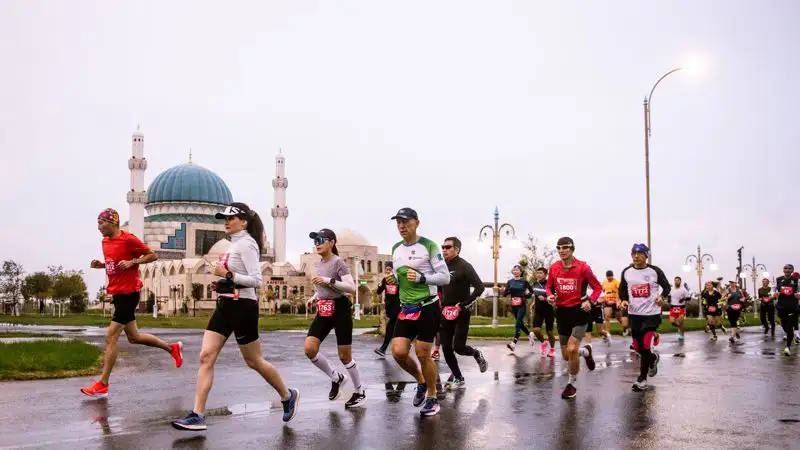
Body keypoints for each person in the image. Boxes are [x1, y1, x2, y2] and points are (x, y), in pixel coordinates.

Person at [173, 203, 299, 430]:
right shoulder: (233, 245)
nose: (226, 222)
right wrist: (222, 282)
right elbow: (234, 278)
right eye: (224, 218)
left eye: (232, 218)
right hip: (225, 305)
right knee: (206, 356)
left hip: (243, 306)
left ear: (244, 222)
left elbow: (256, 281)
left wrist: (228, 274)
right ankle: (197, 414)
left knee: (254, 361)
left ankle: (287, 395)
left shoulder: (247, 245)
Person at [81, 208, 183, 399]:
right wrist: (102, 265)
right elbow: (115, 262)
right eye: (97, 223)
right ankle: (172, 348)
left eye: (102, 223)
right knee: (134, 337)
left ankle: (102, 384)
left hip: (130, 294)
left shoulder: (129, 239)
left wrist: (133, 262)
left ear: (113, 222)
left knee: (111, 335)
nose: (99, 227)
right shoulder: (105, 241)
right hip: (117, 294)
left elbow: (152, 255)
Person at [389, 208, 451, 416]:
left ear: (417, 223)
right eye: (398, 223)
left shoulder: (429, 246)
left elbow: (444, 277)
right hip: (406, 309)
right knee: (398, 352)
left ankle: (432, 397)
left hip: (427, 306)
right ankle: (421, 380)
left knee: (423, 353)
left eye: (405, 222)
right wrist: (394, 280)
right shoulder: (396, 248)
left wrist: (423, 278)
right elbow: (401, 277)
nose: (401, 226)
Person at [303, 229, 366, 408]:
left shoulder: (338, 262)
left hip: (340, 309)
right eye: (315, 240)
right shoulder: (317, 263)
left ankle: (360, 391)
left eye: (321, 240)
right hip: (324, 308)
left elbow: (351, 287)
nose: (317, 243)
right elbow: (321, 286)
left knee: (344, 356)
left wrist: (329, 281)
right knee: (310, 348)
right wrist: (315, 296)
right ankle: (335, 377)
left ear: (331, 242)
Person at [545, 237, 600, 400]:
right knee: (566, 355)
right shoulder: (554, 268)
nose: (562, 250)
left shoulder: (583, 267)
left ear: (572, 249)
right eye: (559, 248)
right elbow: (549, 287)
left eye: (565, 247)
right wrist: (549, 296)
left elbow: (597, 287)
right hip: (562, 312)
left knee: (571, 349)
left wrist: (590, 301)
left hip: (579, 312)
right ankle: (586, 352)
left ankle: (572, 384)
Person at [619, 243, 670, 392]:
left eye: (639, 253)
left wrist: (662, 297)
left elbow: (667, 287)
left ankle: (642, 379)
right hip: (634, 313)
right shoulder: (627, 271)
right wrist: (623, 300)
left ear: (646, 256)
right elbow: (622, 289)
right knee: (637, 346)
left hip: (651, 313)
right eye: (633, 253)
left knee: (646, 345)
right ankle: (653, 359)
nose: (636, 256)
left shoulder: (654, 271)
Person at [438, 237, 488, 389]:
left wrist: (464, 304)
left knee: (458, 347)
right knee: (446, 347)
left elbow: (480, 287)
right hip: (445, 311)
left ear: (457, 249)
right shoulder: (441, 266)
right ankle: (459, 377)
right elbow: (440, 287)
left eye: (448, 247)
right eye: (443, 247)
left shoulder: (465, 266)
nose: (444, 250)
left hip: (461, 311)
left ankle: (475, 353)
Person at [502, 264, 534, 352]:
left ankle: (513, 343)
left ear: (521, 272)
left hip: (522, 305)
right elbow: (505, 293)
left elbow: (531, 291)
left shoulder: (524, 281)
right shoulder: (510, 282)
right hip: (514, 305)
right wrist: (504, 291)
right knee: (520, 324)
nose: (515, 271)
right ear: (512, 271)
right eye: (514, 270)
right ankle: (530, 334)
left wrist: (526, 295)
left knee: (518, 323)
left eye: (517, 270)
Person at [375, 261, 400, 357]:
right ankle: (404, 343)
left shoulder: (399, 280)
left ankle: (383, 348)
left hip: (399, 305)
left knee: (391, 326)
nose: (388, 271)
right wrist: (382, 283)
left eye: (390, 269)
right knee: (394, 326)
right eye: (387, 269)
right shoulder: (385, 279)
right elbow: (378, 291)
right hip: (390, 306)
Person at [774, 264, 800, 356]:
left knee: (789, 327)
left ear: (792, 270)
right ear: (783, 270)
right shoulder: (779, 279)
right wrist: (774, 294)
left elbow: (799, 290)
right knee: (784, 325)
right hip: (781, 306)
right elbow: (775, 289)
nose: (787, 270)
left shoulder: (796, 279)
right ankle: (791, 335)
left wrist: (799, 294)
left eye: (789, 269)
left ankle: (787, 347)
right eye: (785, 268)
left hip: (792, 306)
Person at [531, 267, 556, 357]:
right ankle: (544, 342)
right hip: (538, 310)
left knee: (549, 332)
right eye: (537, 273)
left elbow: (555, 297)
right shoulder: (535, 284)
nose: (539, 274)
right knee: (536, 330)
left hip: (549, 310)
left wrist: (545, 298)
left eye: (541, 273)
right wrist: (533, 303)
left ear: (546, 275)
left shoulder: (550, 285)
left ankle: (552, 349)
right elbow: (535, 295)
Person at [602, 270, 627, 338]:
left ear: (612, 276)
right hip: (608, 302)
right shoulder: (604, 283)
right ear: (606, 276)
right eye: (608, 276)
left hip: (616, 302)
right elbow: (602, 291)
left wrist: (619, 300)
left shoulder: (616, 282)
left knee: (618, 318)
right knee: (607, 317)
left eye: (610, 276)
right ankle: (607, 333)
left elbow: (620, 291)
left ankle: (625, 328)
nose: (609, 278)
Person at [667, 276, 691, 341]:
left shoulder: (683, 289)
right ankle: (680, 328)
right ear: (674, 281)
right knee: (672, 322)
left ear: (680, 281)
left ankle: (681, 335)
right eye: (675, 280)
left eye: (678, 280)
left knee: (680, 322)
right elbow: (669, 295)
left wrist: (683, 299)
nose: (676, 281)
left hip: (681, 308)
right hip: (673, 308)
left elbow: (689, 298)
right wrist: (669, 300)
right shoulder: (671, 288)